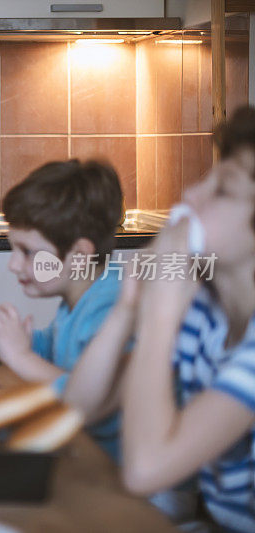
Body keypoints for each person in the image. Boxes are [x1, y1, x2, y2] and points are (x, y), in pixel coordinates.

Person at [114, 107, 255, 531]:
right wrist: (133, 306)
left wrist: (159, 313)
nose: (191, 195)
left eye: (223, 190)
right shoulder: (206, 313)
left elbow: (145, 469)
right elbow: (120, 402)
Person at [0, 159, 124, 459]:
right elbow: (53, 353)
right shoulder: (80, 298)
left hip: (127, 481)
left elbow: (91, 401)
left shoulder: (112, 307)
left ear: (79, 255)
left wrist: (19, 355)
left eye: (27, 252)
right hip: (86, 454)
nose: (13, 265)